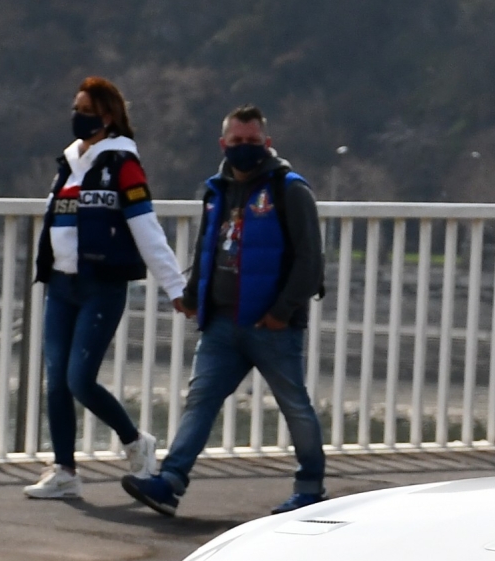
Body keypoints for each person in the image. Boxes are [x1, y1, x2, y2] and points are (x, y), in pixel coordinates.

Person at [121, 105, 325, 517]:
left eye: (252, 142)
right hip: (221, 324)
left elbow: (311, 260)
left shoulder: (290, 189)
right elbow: (207, 249)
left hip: (272, 326)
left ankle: (310, 488)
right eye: (237, 142)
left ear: (267, 144)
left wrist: (282, 312)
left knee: (294, 404)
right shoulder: (215, 191)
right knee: (200, 401)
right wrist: (194, 296)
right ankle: (169, 483)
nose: (245, 149)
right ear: (223, 144)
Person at [24, 78, 188, 500]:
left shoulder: (123, 165)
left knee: (80, 379)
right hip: (61, 284)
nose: (77, 115)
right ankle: (64, 470)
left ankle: (135, 441)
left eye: (86, 108)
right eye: (75, 106)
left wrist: (175, 286)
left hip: (102, 285)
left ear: (108, 116)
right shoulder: (68, 164)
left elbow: (147, 228)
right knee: (55, 381)